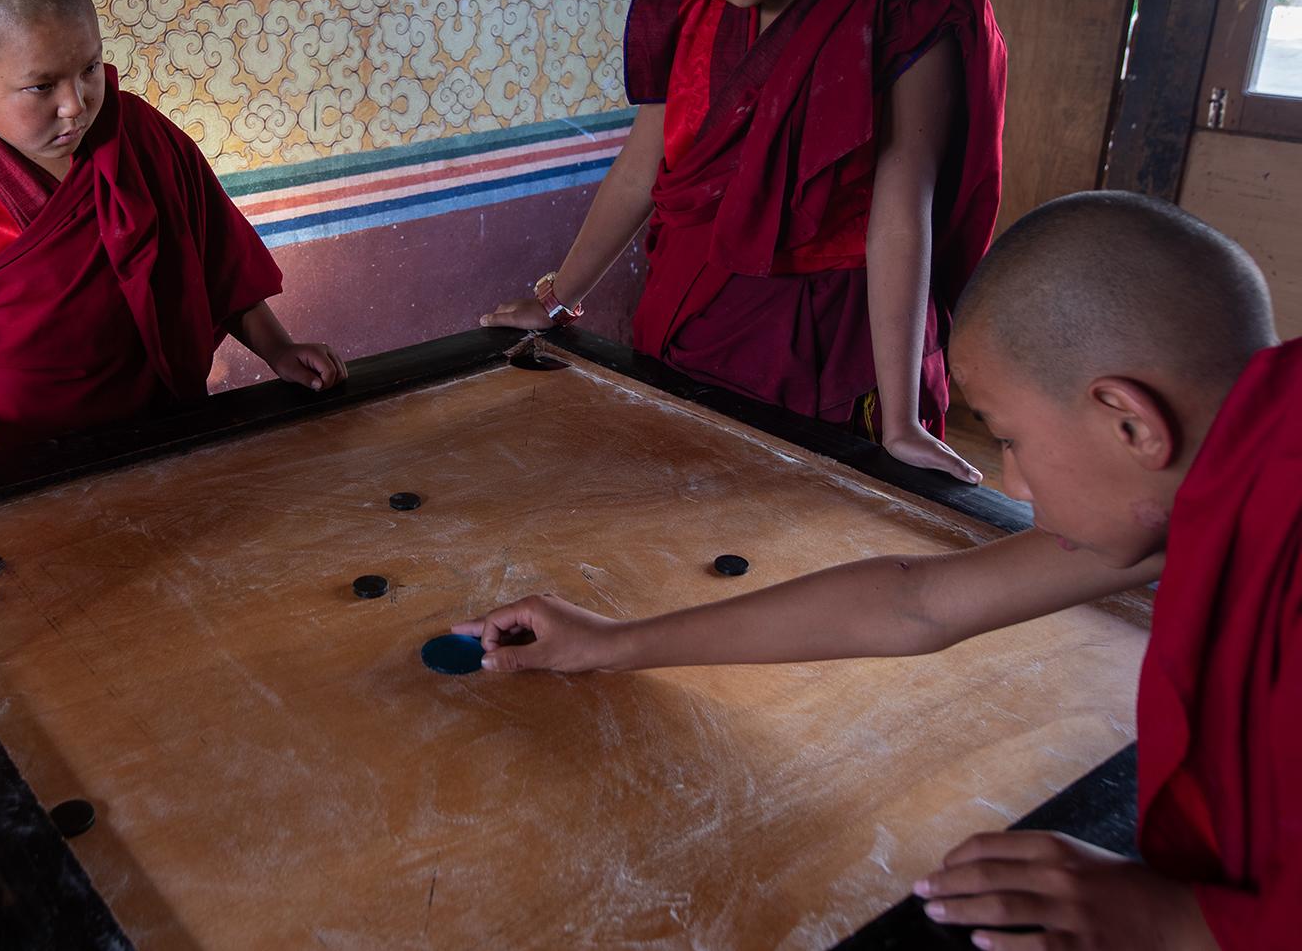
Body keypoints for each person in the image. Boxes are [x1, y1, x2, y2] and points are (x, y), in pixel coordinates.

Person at [460, 192, 1296, 950]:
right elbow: (916, 601)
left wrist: (1178, 919)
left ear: (1130, 422)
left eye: (1008, 437)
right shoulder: (1199, 480)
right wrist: (612, 642)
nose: (1011, 481)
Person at [485, 0, 1006, 483]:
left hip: (827, 346)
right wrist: (556, 296)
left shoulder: (902, 10)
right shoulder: (682, 14)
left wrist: (903, 416)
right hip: (685, 328)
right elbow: (643, 167)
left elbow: (902, 212)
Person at [0, 0, 345, 479]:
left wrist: (278, 350)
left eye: (89, 69)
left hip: (160, 439)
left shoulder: (140, 135)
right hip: (5, 469)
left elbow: (215, 269)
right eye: (40, 86)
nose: (77, 104)